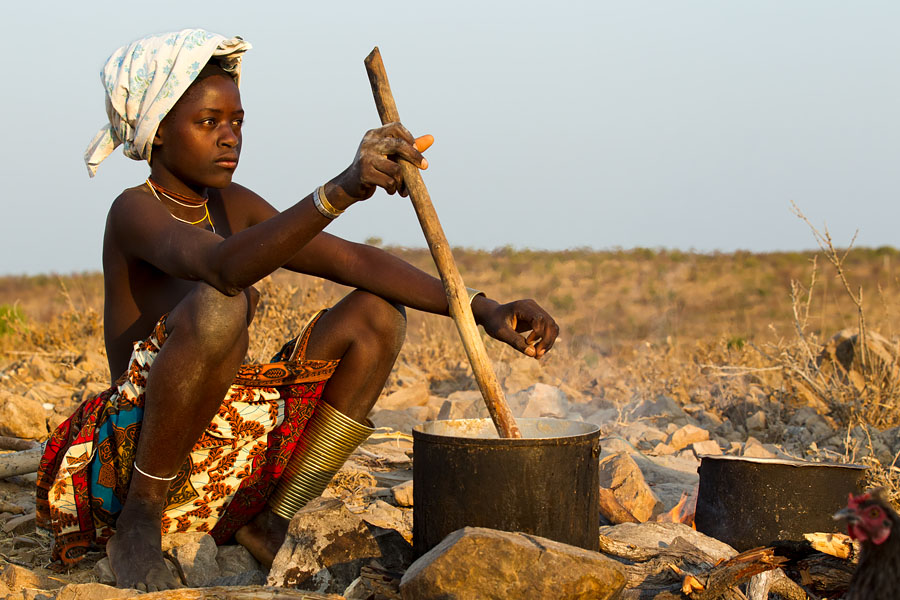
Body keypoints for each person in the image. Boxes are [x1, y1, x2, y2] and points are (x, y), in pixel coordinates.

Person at [35, 29, 558, 592]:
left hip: (227, 464)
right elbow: (223, 270)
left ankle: (272, 520)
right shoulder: (133, 212)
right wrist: (343, 187)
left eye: (236, 121)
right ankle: (139, 521)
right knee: (219, 306)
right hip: (139, 452)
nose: (229, 137)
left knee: (377, 314)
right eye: (208, 122)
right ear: (158, 132)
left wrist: (481, 308)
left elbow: (353, 260)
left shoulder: (232, 204)